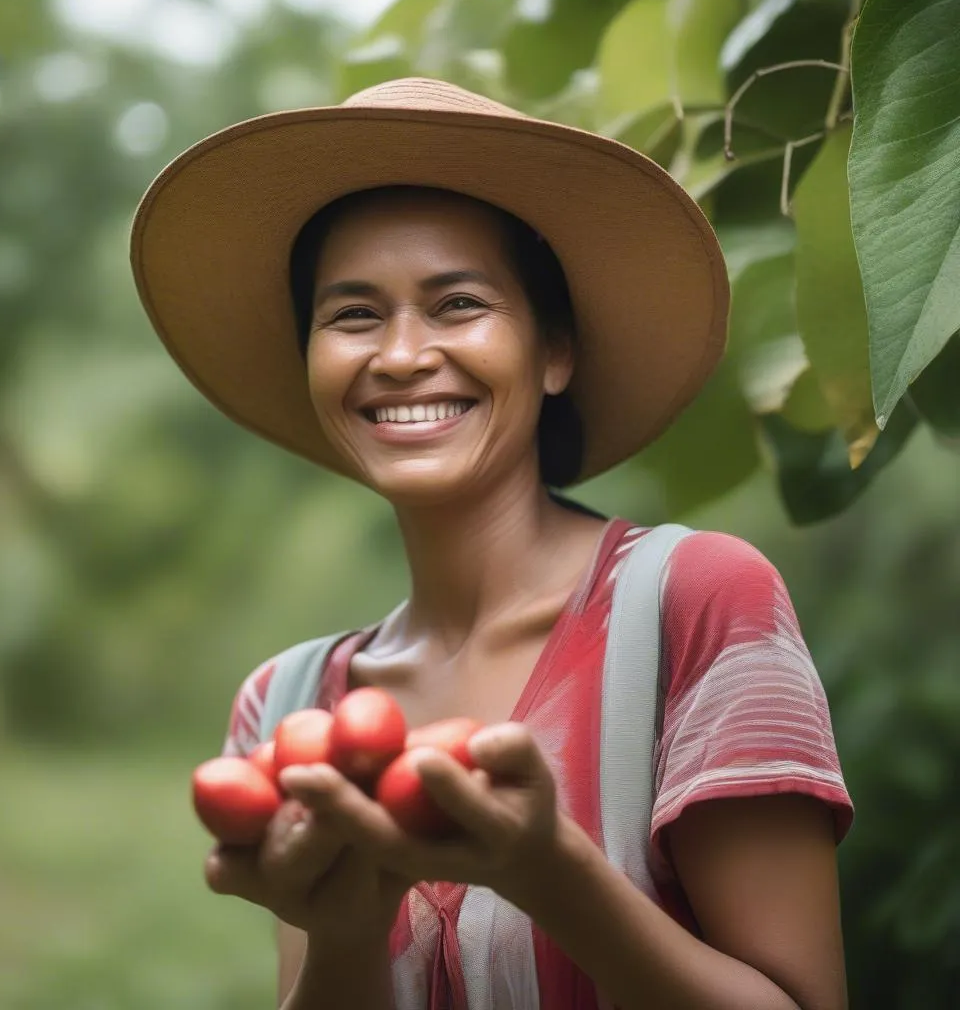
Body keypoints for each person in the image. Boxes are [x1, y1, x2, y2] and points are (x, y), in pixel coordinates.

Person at [131, 78, 853, 1009]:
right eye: (352, 315)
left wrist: (552, 872)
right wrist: (345, 927)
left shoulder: (697, 604)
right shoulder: (288, 706)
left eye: (457, 304)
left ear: (554, 351)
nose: (398, 355)